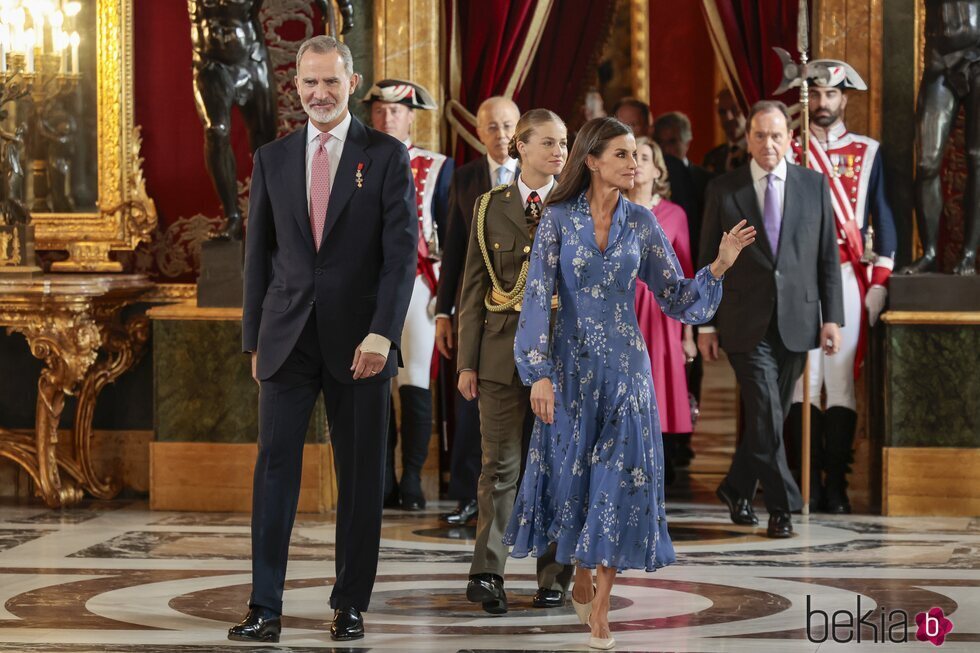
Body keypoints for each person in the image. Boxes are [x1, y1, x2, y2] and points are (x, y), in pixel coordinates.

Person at [504, 117, 752, 650]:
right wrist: (538, 373)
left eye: (636, 154)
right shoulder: (556, 220)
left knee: (619, 483)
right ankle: (582, 568)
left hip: (628, 376)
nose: (633, 163)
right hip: (569, 377)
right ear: (591, 160)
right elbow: (535, 300)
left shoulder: (641, 222)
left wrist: (719, 266)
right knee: (576, 483)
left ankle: (600, 612)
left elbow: (677, 297)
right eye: (621, 154)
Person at [231, 36, 416, 643]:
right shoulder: (272, 157)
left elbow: (399, 260)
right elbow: (257, 256)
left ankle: (350, 604)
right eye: (309, 82)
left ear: (351, 81)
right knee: (274, 472)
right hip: (285, 339)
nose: (319, 93)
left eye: (330, 82)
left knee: (360, 478)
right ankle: (264, 606)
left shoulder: (386, 155)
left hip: (361, 344)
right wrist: (254, 339)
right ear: (297, 86)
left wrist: (382, 335)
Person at [697, 100, 844, 539]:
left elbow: (827, 258)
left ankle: (737, 486)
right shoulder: (724, 189)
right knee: (763, 408)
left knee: (770, 417)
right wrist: (705, 324)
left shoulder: (814, 185)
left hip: (798, 319)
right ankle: (783, 506)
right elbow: (709, 255)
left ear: (789, 139)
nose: (769, 143)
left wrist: (831, 318)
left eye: (777, 135)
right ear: (748, 139)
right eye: (760, 135)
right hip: (744, 321)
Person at [457, 109, 573, 614]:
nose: (559, 153)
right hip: (501, 355)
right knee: (499, 467)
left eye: (564, 143)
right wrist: (466, 362)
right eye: (548, 143)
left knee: (556, 468)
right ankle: (488, 573)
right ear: (519, 147)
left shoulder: (577, 207)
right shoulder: (489, 207)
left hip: (562, 359)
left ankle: (555, 576)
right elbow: (473, 289)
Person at [786, 61, 897, 513]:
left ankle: (836, 485)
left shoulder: (868, 151)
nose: (823, 103)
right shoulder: (791, 150)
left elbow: (884, 217)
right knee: (801, 385)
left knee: (840, 383)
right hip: (797, 278)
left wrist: (881, 281)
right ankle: (804, 482)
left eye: (831, 95)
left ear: (844, 98)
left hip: (850, 276)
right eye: (815, 95)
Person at [363, 78, 454, 511]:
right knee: (375, 379)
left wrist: (446, 298)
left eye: (395, 111)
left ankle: (413, 478)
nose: (386, 117)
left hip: (419, 283)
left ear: (411, 116)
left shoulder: (438, 166)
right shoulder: (351, 160)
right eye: (379, 110)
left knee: (414, 378)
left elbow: (449, 235)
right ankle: (380, 479)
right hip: (365, 284)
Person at [435, 97, 521, 526]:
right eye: (492, 127)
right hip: (477, 310)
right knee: (470, 401)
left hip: (525, 310)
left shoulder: (541, 176)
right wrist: (443, 313)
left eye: (508, 126)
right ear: (478, 131)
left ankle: (522, 499)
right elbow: (454, 251)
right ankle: (468, 495)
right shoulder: (466, 178)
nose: (502, 136)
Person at [627, 137, 696, 484]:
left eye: (644, 157)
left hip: (662, 315)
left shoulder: (675, 214)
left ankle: (659, 469)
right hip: (621, 312)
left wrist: (689, 334)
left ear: (657, 169)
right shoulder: (610, 208)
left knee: (660, 388)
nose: (636, 162)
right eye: (629, 155)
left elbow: (685, 273)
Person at [188, 0, 277, 240]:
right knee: (216, 131)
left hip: (250, 59)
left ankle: (269, 215)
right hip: (210, 64)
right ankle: (233, 217)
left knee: (264, 139)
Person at [903, 0, 980, 275]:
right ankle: (930, 253)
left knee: (976, 158)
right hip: (940, 64)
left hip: (978, 60)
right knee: (926, 162)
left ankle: (969, 254)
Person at [703, 89, 748, 176]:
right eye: (722, 112)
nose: (728, 117)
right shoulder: (711, 158)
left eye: (735, 110)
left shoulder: (759, 154)